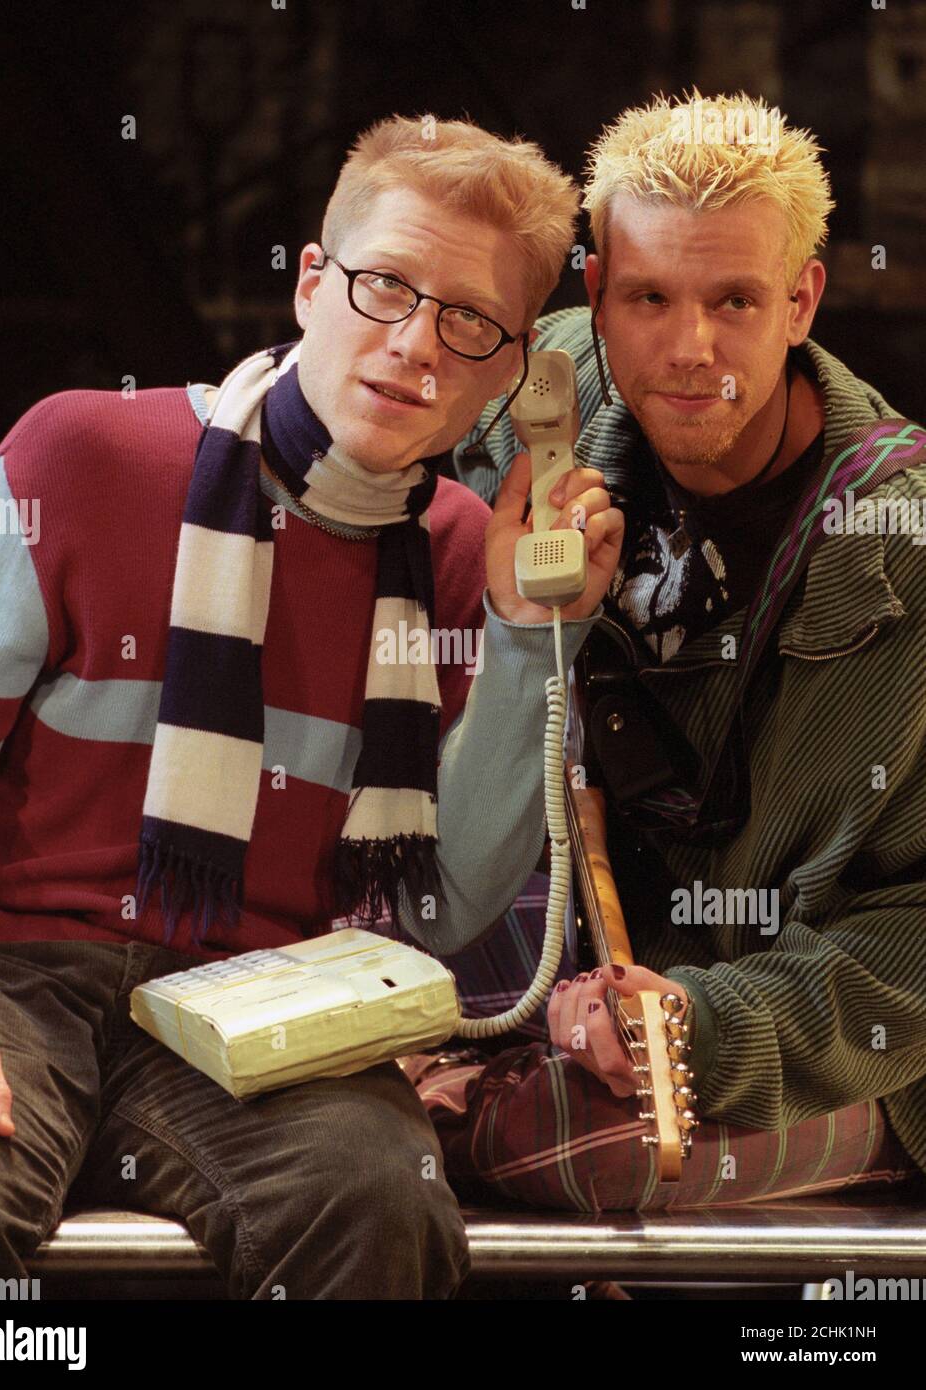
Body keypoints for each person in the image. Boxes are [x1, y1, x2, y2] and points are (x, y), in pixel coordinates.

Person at [0, 114, 625, 1297]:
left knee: (377, 1198)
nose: (415, 345)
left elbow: (446, 907)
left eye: (470, 323)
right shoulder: (80, 451)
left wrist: (522, 638)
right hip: (10, 970)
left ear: (516, 372)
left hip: (264, 994)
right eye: (383, 286)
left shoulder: (468, 553)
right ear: (311, 283)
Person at [417, 89, 926, 1214]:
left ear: (800, 301)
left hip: (815, 1034)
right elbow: (326, 396)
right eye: (648, 297)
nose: (690, 350)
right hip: (549, 983)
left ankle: (446, 1098)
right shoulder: (520, 400)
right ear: (593, 294)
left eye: (734, 299)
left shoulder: (906, 545)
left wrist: (706, 1023)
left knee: (584, 1144)